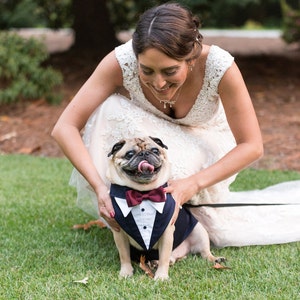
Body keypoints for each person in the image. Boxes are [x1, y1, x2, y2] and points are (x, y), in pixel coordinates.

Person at [52, 3, 300, 248]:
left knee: (184, 185)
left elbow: (252, 146)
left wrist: (192, 183)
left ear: (191, 58)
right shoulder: (121, 61)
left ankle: (183, 225)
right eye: (146, 70)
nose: (158, 83)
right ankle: (134, 215)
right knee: (110, 109)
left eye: (170, 71)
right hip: (152, 137)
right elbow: (64, 127)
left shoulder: (219, 66)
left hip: (205, 142)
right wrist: (99, 188)